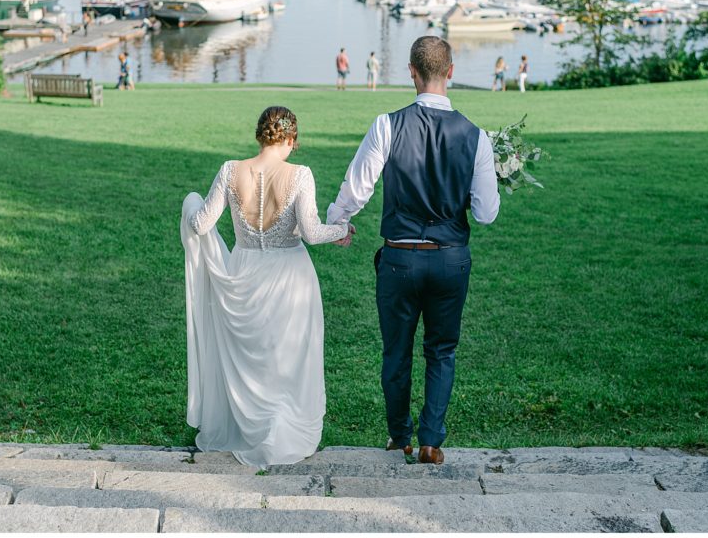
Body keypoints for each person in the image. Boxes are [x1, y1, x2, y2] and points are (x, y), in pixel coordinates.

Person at [326, 36, 500, 464]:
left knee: (396, 350)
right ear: (451, 72)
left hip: (400, 258)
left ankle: (399, 435)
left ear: (411, 71)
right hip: (449, 259)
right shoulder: (476, 137)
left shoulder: (387, 125)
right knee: (442, 349)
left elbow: (357, 188)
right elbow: (486, 213)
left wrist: (337, 221)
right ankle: (431, 440)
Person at [181, 107, 352, 468]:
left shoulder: (230, 170)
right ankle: (279, 425)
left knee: (251, 353)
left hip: (243, 271)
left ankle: (251, 428)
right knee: (285, 354)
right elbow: (310, 230)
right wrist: (342, 231)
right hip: (290, 275)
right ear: (289, 139)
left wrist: (190, 203)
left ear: (261, 135)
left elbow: (200, 224)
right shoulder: (300, 175)